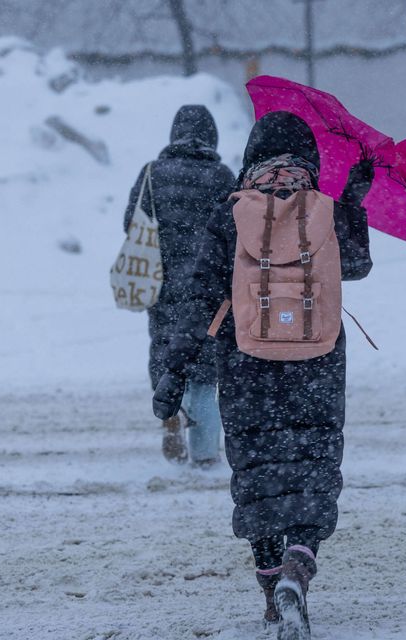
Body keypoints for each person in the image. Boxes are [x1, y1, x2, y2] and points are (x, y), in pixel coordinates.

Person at [151, 111, 374, 638]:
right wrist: (355, 198)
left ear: (252, 153)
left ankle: (273, 589)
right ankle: (299, 563)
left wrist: (173, 373)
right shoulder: (328, 210)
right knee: (312, 465)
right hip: (317, 363)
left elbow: (199, 299)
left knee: (258, 473)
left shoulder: (230, 214)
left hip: (248, 365)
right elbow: (358, 264)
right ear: (308, 156)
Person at [123, 105, 235, 466]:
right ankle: (204, 453)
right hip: (208, 285)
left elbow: (132, 223)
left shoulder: (153, 174)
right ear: (212, 137)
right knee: (206, 367)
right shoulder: (222, 176)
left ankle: (170, 414)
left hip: (163, 282)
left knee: (166, 353)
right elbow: (235, 230)